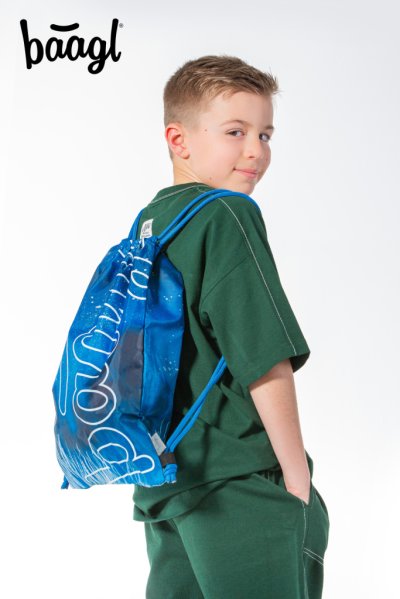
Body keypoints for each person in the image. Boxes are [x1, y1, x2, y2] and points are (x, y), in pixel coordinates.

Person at [132, 54, 330, 599]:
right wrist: (296, 479)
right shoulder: (227, 214)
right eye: (235, 132)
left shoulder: (150, 222)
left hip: (166, 480)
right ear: (179, 139)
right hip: (240, 479)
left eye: (266, 134)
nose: (256, 151)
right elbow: (262, 355)